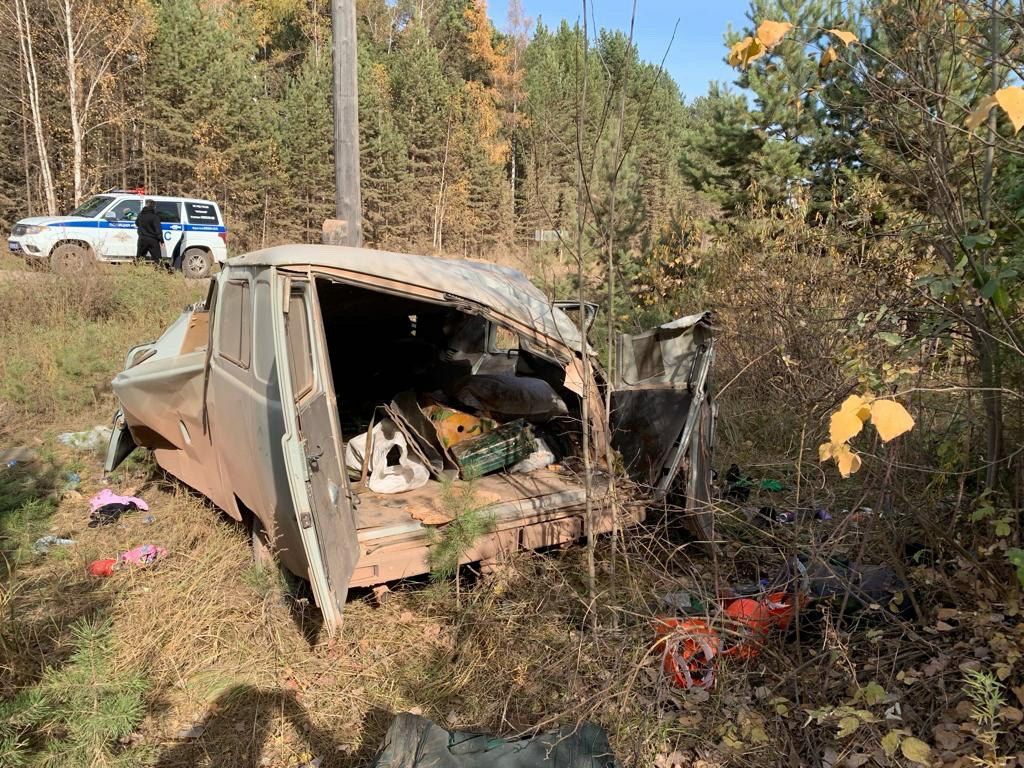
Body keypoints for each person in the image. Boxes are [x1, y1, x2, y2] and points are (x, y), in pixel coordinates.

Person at [135, 200, 163, 265]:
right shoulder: (155, 217)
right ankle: (159, 272)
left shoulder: (140, 215)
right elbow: (158, 230)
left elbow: (137, 223)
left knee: (139, 257)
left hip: (142, 239)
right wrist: (161, 240)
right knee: (158, 259)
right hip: (153, 240)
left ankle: (136, 270)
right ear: (153, 206)